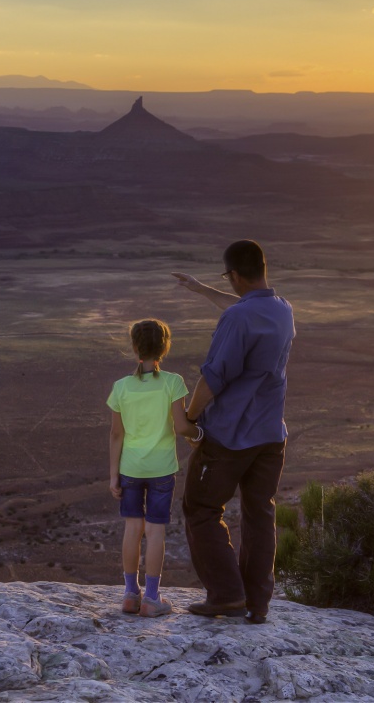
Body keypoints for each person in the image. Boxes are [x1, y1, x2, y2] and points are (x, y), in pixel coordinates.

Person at [171, 239, 295, 625]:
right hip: (271, 436)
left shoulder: (238, 319)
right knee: (260, 514)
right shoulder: (282, 310)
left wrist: (190, 417)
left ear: (235, 276)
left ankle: (226, 595)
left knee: (202, 509)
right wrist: (200, 288)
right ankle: (258, 602)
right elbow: (244, 308)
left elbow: (213, 377)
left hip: (229, 436)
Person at [106, 319, 198, 617]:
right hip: (161, 469)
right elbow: (182, 426)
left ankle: (130, 595)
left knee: (132, 528)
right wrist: (199, 436)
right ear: (164, 348)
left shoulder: (121, 387)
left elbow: (116, 434)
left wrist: (113, 475)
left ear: (135, 348)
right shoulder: (173, 383)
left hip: (130, 468)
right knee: (156, 530)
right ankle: (153, 598)